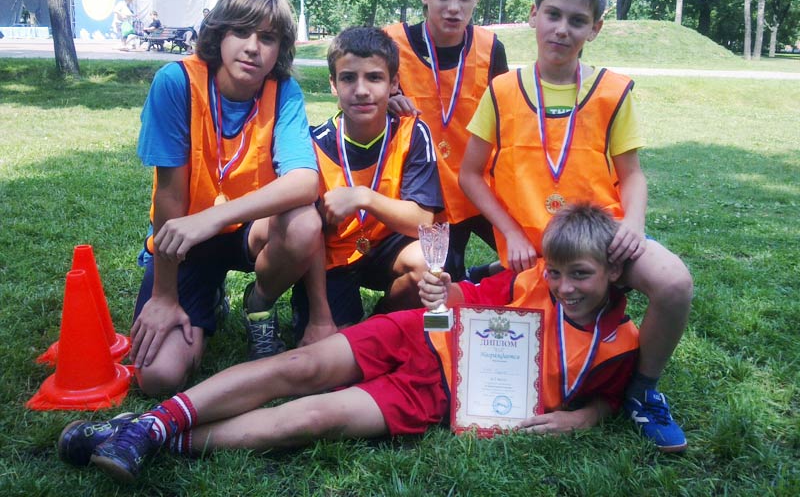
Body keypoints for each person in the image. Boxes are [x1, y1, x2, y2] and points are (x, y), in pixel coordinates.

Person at [57, 203, 639, 484]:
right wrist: (443, 292)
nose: (564, 287)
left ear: (614, 273)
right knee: (302, 366)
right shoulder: (531, 281)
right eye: (556, 272)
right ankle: (152, 425)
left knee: (314, 418)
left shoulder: (621, 343)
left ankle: (148, 437)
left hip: (436, 397)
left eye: (581, 275)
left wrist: (581, 418)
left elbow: (608, 400)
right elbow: (468, 296)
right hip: (422, 335)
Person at [459, 0, 693, 452]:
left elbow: (632, 174)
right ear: (533, 15)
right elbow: (470, 175)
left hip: (602, 241)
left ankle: (642, 392)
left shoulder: (611, 91)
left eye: (577, 20)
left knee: (673, 282)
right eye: (553, 15)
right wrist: (512, 233)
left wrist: (633, 224)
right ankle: (494, 275)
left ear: (595, 28)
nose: (562, 29)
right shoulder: (502, 91)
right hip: (537, 250)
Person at [130, 0, 321, 397]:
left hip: (248, 231)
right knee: (159, 377)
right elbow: (169, 197)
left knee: (305, 223)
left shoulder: (283, 91)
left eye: (267, 38)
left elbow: (305, 180)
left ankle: (259, 302)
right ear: (218, 34)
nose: (253, 47)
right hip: (185, 239)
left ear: (280, 49)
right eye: (241, 31)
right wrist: (164, 296)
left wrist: (215, 217)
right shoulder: (177, 82)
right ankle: (208, 300)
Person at [291, 26, 443, 347]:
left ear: (394, 83)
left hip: (387, 249)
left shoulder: (412, 132)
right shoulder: (312, 144)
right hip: (332, 258)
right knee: (327, 351)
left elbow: (424, 221)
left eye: (374, 78)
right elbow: (309, 237)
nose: (361, 90)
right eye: (348, 78)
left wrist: (363, 197)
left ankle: (381, 320)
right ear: (333, 84)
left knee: (425, 262)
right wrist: (320, 317)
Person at [384, 0, 509, 282]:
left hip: (478, 187)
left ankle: (480, 273)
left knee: (534, 251)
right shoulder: (391, 44)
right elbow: (356, 102)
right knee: (440, 284)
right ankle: (463, 275)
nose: (454, 8)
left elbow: (508, 120)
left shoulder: (490, 48)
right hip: (423, 194)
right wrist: (384, 104)